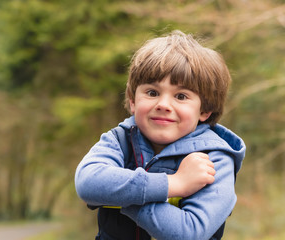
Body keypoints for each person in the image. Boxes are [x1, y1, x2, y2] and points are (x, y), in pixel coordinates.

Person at [75, 30, 246, 240]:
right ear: (133, 101)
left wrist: (118, 197)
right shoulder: (119, 140)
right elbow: (87, 183)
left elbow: (189, 232)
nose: (163, 105)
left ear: (204, 110)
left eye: (181, 96)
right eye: (152, 93)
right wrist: (174, 184)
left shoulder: (214, 159)